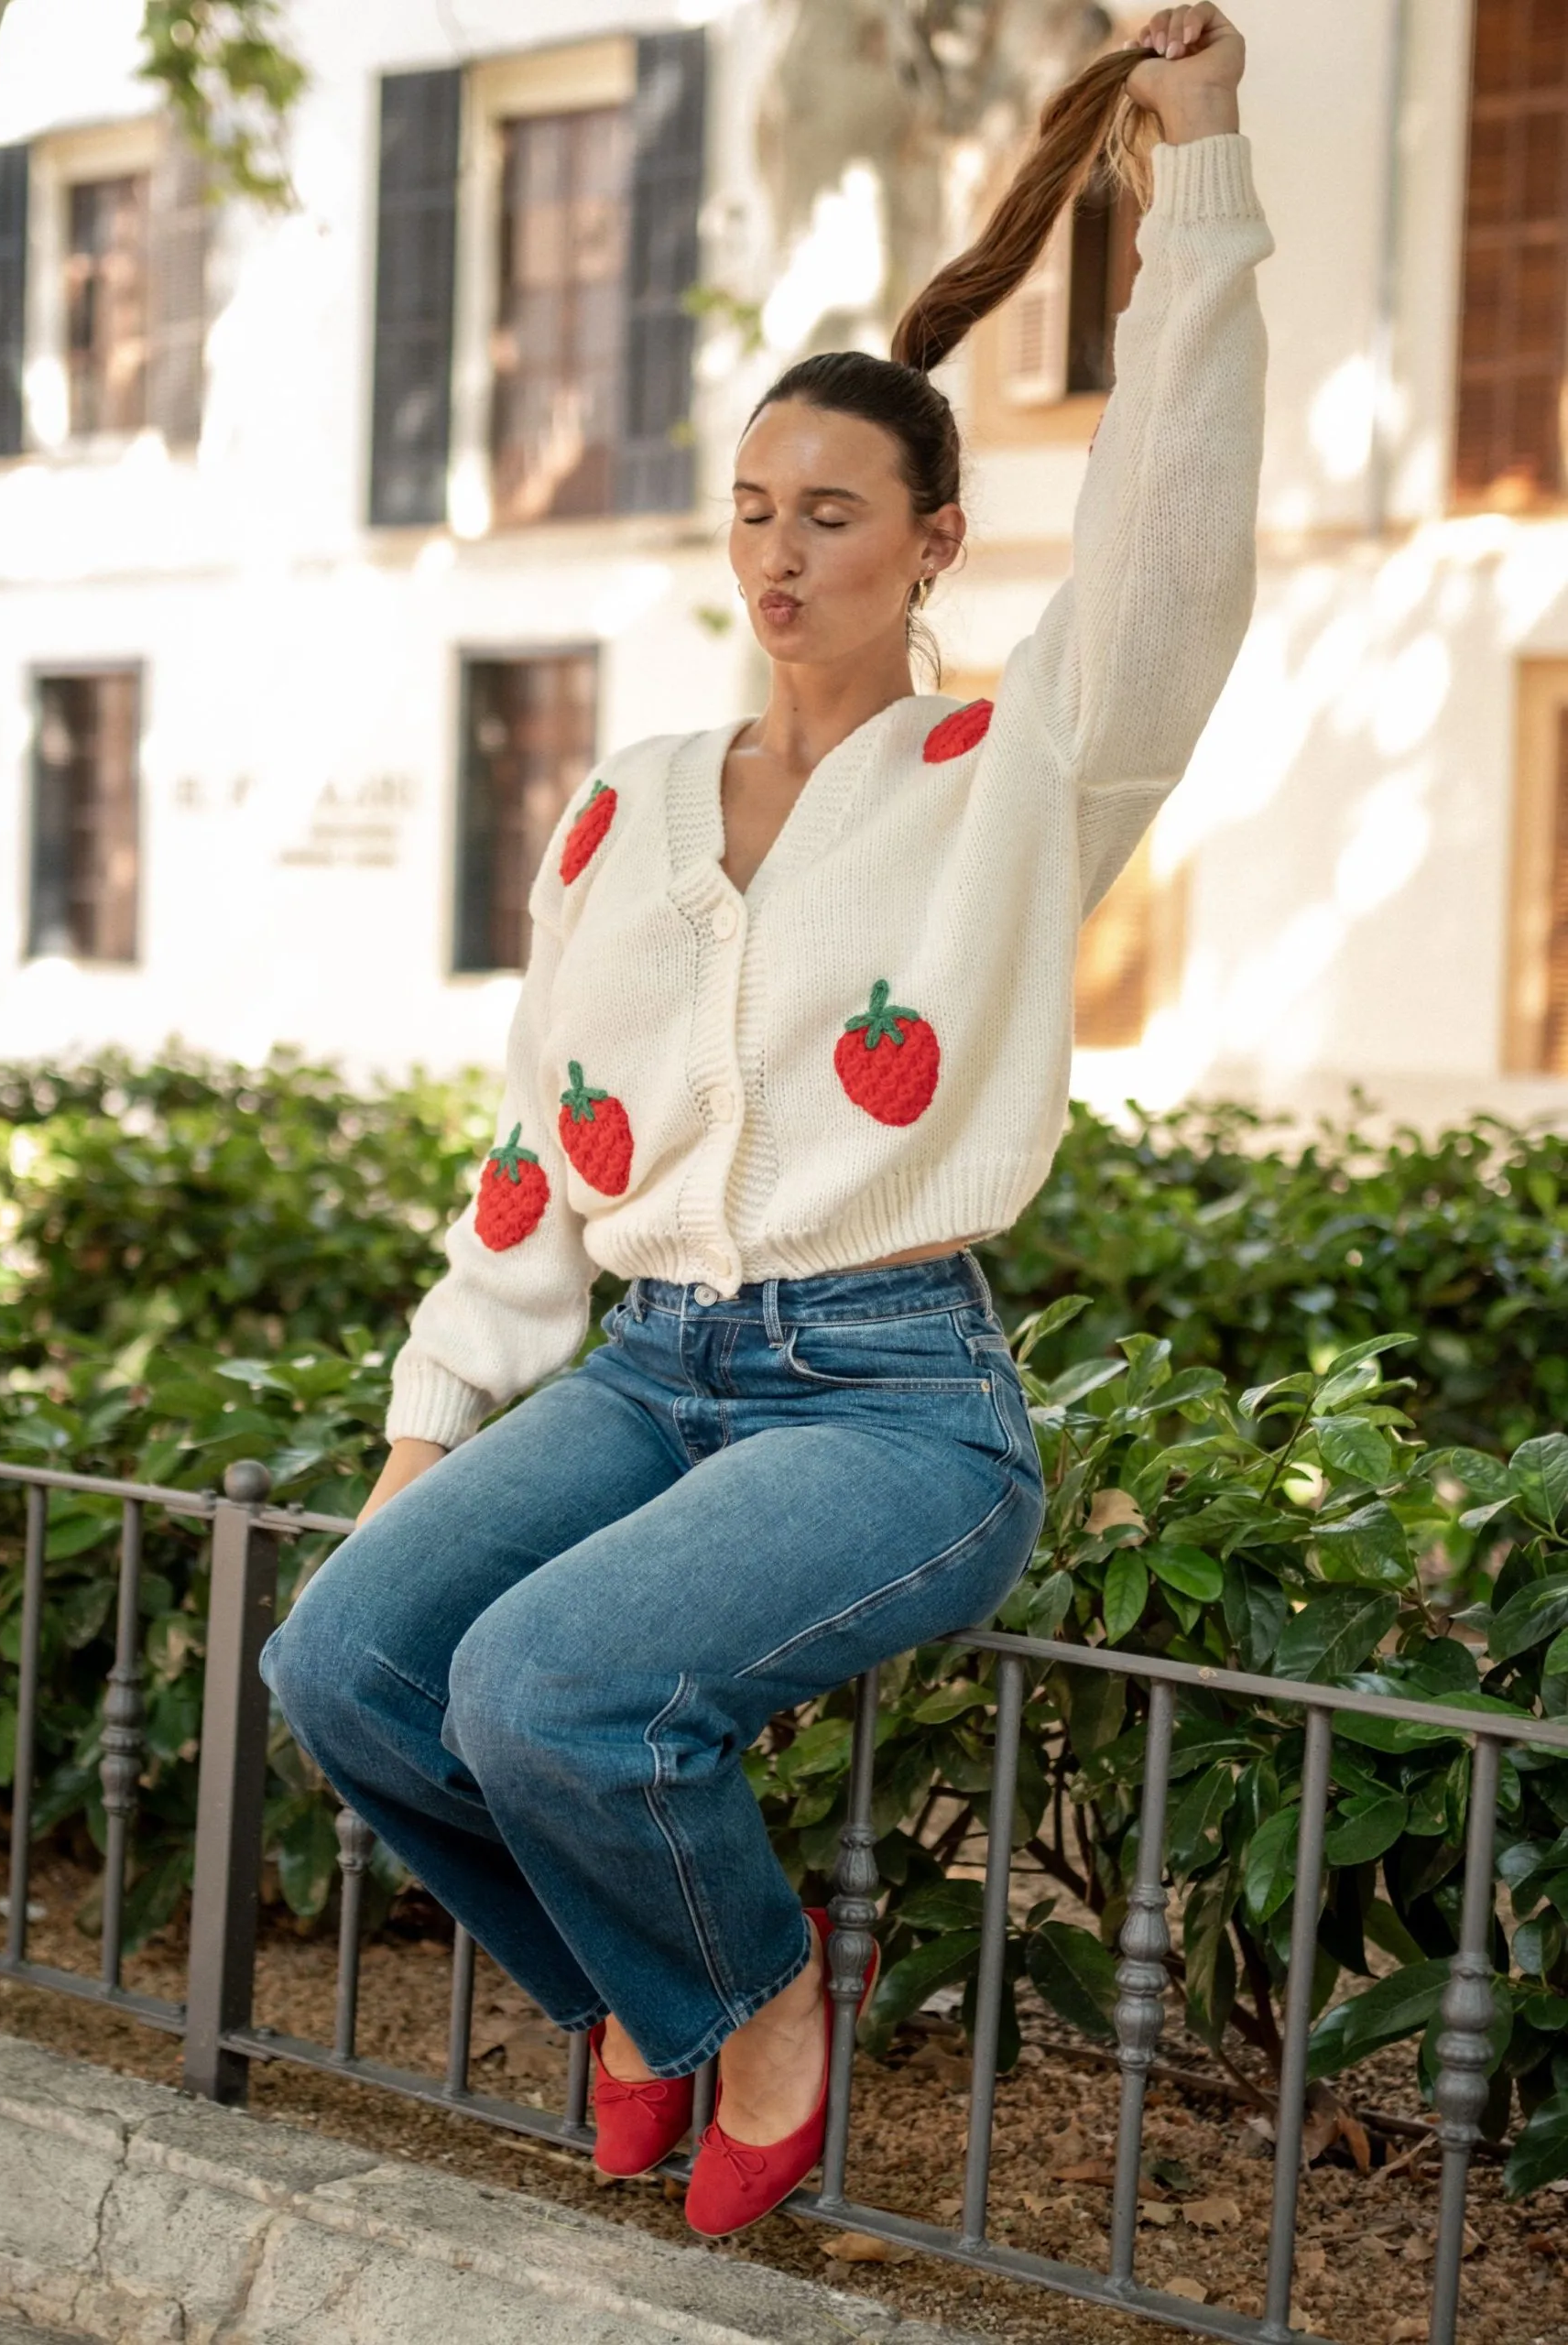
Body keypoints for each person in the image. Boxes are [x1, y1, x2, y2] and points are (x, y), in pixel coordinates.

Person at [261, 5, 1270, 2240]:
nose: (777, 553)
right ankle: (655, 1985)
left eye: (830, 514)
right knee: (340, 1659)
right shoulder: (626, 804)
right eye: (750, 509)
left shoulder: (1007, 776)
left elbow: (1175, 546)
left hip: (887, 1395)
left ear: (930, 543)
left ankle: (760, 1999)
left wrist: (1187, 180)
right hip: (645, 1369)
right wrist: (435, 1418)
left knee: (539, 1688)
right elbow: (547, 1140)